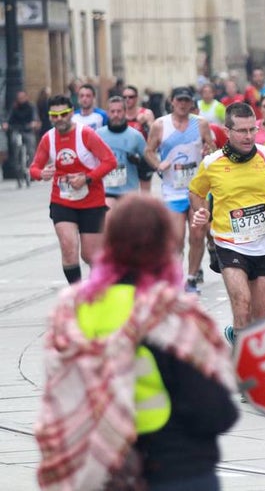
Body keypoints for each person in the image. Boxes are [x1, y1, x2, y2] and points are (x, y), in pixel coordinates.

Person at [35, 194, 237, 491]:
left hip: (101, 470)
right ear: (166, 245)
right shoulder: (173, 313)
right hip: (177, 469)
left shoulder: (72, 310)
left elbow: (59, 390)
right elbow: (216, 413)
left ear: (108, 242)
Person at [188, 102, 265, 344]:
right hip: (229, 243)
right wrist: (202, 212)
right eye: (242, 131)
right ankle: (241, 361)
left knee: (262, 318)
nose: (248, 136)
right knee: (242, 304)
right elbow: (196, 192)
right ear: (227, 131)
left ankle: (243, 340)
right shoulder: (212, 163)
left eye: (252, 129)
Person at [30, 95, 118, 284]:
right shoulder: (48, 138)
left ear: (71, 113)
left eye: (63, 114)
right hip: (62, 201)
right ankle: (77, 293)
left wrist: (86, 178)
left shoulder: (85, 134)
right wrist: (41, 174)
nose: (59, 119)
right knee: (68, 248)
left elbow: (110, 161)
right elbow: (34, 168)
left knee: (90, 255)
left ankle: (99, 287)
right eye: (54, 115)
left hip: (92, 202)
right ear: (50, 116)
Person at [147, 86, 215, 293]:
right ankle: (176, 277)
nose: (183, 104)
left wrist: (208, 151)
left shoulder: (200, 124)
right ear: (172, 101)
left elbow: (213, 148)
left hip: (197, 190)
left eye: (187, 100)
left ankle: (192, 278)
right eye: (180, 100)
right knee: (176, 240)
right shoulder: (160, 125)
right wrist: (158, 165)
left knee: (198, 235)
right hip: (173, 191)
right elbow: (148, 151)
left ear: (192, 103)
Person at [96, 96, 148, 205]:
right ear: (108, 113)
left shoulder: (136, 136)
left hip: (129, 191)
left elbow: (148, 163)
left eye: (119, 111)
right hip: (106, 190)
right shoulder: (98, 135)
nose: (116, 115)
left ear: (125, 112)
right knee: (109, 213)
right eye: (112, 111)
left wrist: (138, 161)